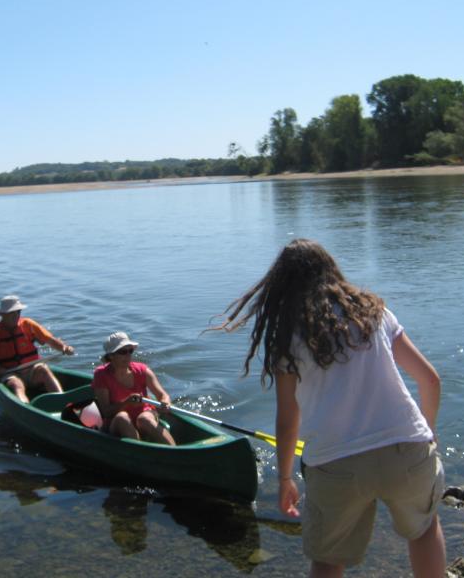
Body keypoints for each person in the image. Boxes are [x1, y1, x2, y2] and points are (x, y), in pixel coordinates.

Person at [215, 239, 445, 577]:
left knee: (328, 558)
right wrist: (428, 433)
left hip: (336, 462)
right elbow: (430, 380)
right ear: (331, 270)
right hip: (406, 447)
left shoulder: (288, 337)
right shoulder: (375, 314)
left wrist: (285, 478)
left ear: (282, 288)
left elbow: (287, 419)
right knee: (423, 529)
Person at [0, 295, 74, 403]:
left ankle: (63, 402)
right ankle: (26, 407)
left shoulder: (28, 324)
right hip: (10, 373)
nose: (16, 315)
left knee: (44, 370)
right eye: (12, 313)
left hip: (31, 369)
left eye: (18, 312)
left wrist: (64, 347)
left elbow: (50, 340)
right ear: (3, 315)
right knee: (17, 384)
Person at [92, 332, 176, 445]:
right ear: (111, 356)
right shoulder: (101, 375)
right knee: (122, 417)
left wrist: (165, 402)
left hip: (144, 414)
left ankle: (174, 450)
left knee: (144, 419)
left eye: (130, 351)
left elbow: (162, 395)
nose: (128, 355)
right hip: (116, 423)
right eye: (123, 352)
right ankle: (140, 451)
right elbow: (106, 412)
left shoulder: (142, 370)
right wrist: (126, 402)